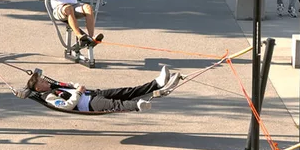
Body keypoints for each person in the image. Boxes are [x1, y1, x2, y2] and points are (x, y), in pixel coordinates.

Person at [21, 66, 182, 113]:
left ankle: (157, 83)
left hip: (93, 93)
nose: (45, 81)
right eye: (42, 81)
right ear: (38, 87)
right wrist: (78, 92)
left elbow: (70, 85)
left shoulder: (54, 85)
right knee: (115, 104)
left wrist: (76, 86)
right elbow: (67, 105)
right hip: (88, 104)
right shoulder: (49, 96)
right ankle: (137, 105)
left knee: (127, 91)